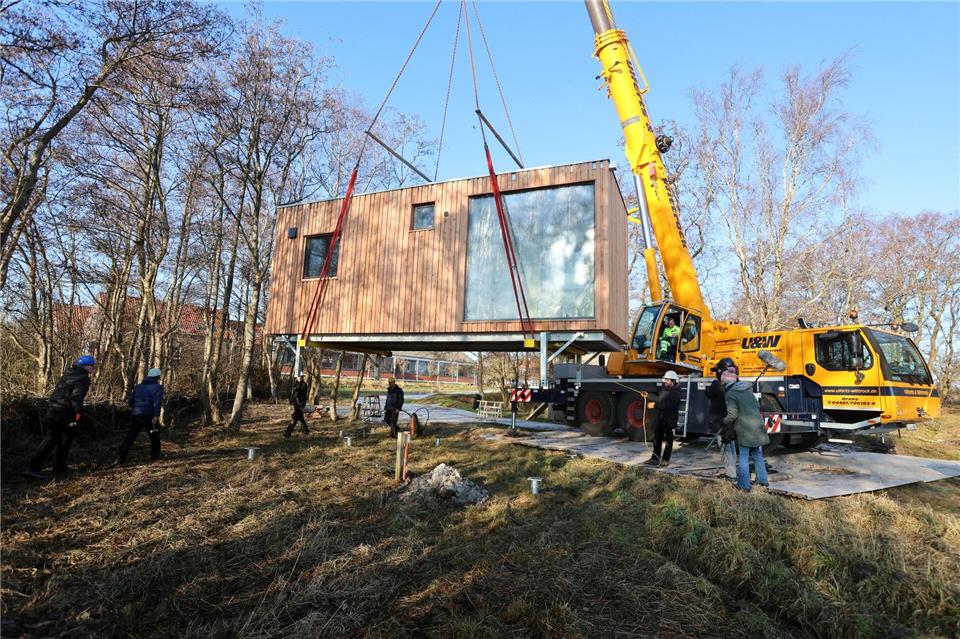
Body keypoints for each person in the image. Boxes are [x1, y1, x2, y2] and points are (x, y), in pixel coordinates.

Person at [23, 355, 96, 478]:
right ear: (85, 366)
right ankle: (39, 468)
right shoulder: (83, 378)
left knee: (54, 438)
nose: (93, 368)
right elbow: (76, 397)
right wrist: (79, 413)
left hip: (53, 410)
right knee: (64, 438)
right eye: (91, 366)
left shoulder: (68, 374)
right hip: (66, 413)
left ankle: (52, 467)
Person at [721, 368, 770, 492]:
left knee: (743, 456)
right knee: (757, 454)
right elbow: (757, 405)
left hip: (745, 429)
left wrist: (723, 421)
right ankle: (763, 481)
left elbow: (732, 415)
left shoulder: (730, 393)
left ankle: (744, 485)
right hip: (757, 426)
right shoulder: (747, 390)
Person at [116, 368, 165, 464]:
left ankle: (121, 457)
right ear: (157, 377)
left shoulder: (138, 387)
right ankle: (154, 456)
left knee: (131, 436)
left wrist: (136, 408)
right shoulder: (158, 388)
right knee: (154, 436)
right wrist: (156, 416)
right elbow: (157, 403)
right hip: (150, 416)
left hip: (136, 415)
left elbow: (130, 401)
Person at [706, 357, 738, 479]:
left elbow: (709, 394)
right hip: (732, 420)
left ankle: (731, 474)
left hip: (720, 421)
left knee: (725, 446)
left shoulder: (716, 384)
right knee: (732, 445)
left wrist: (707, 390)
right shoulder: (736, 383)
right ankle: (733, 471)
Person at [646, 370, 681, 467]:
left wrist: (654, 405)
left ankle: (665, 459)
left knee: (669, 440)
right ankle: (655, 458)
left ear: (673, 381)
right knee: (657, 438)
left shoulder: (676, 393)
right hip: (661, 418)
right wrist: (648, 395)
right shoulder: (665, 389)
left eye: (667, 380)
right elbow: (659, 399)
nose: (665, 381)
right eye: (665, 379)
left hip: (670, 420)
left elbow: (667, 405)